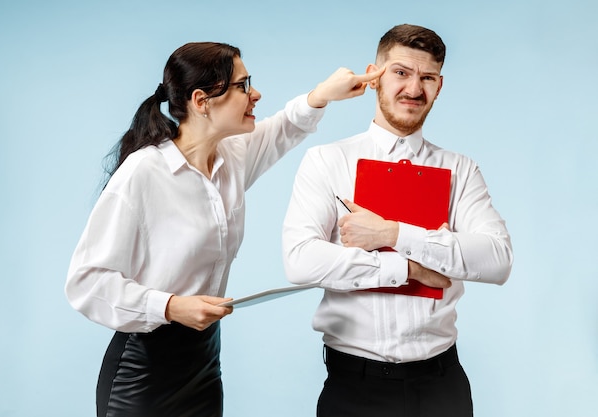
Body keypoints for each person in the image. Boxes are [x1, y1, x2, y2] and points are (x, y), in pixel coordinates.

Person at [65, 41, 384, 417]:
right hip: (144, 372)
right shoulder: (144, 173)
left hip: (203, 362)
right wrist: (170, 305)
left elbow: (283, 129)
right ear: (202, 101)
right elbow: (86, 281)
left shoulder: (231, 156)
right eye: (243, 85)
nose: (256, 94)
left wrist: (322, 95)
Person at [282, 24, 514, 417]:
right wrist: (411, 267)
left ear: (439, 87)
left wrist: (393, 233)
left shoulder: (460, 170)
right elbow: (301, 260)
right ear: (374, 77)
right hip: (353, 387)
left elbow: (497, 259)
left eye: (427, 78)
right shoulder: (327, 161)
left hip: (441, 384)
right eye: (401, 73)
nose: (414, 88)